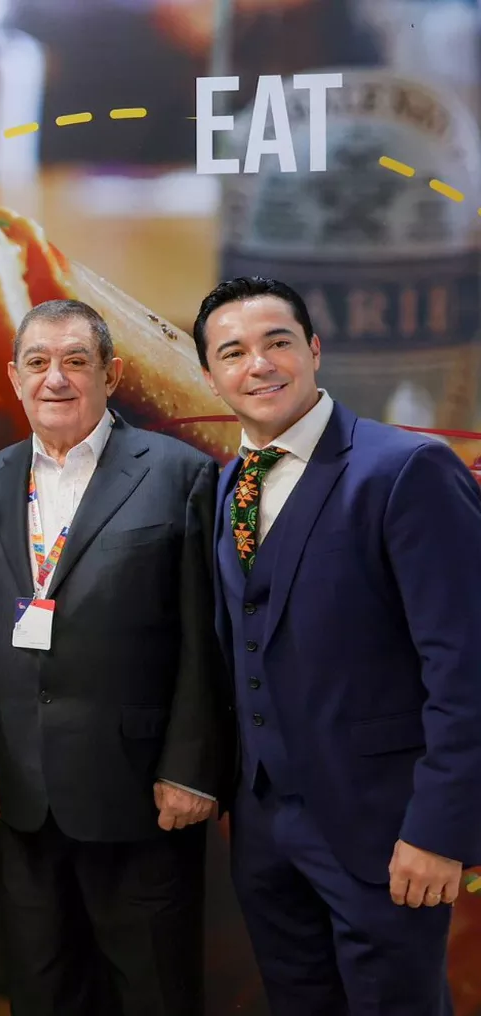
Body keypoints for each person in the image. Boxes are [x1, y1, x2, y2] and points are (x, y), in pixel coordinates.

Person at [193, 276, 481, 1015]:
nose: (259, 365)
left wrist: (441, 830)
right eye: (233, 352)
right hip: (265, 838)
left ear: (315, 350)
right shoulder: (228, 486)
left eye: (277, 342)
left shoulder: (406, 469)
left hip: (386, 832)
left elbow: (465, 666)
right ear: (211, 377)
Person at [0, 299, 224, 1016]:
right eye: (38, 362)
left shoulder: (181, 474)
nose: (56, 378)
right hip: (20, 797)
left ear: (112, 373)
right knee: (41, 990)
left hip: (142, 795)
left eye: (76, 361)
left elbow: (206, 637)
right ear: (14, 376)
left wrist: (189, 767)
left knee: (153, 990)